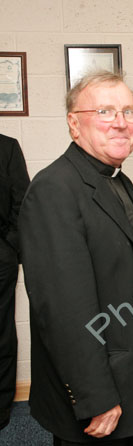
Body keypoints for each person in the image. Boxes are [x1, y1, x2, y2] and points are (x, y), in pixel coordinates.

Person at [19, 71, 133, 445]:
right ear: (74, 123)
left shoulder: (118, 180)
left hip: (131, 375)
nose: (121, 122)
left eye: (129, 112)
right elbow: (64, 312)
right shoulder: (55, 190)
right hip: (99, 395)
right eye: (105, 111)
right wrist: (96, 397)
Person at [0, 134, 29, 429]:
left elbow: (22, 202)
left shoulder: (6, 147)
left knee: (1, 334)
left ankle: (1, 410)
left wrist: (7, 249)